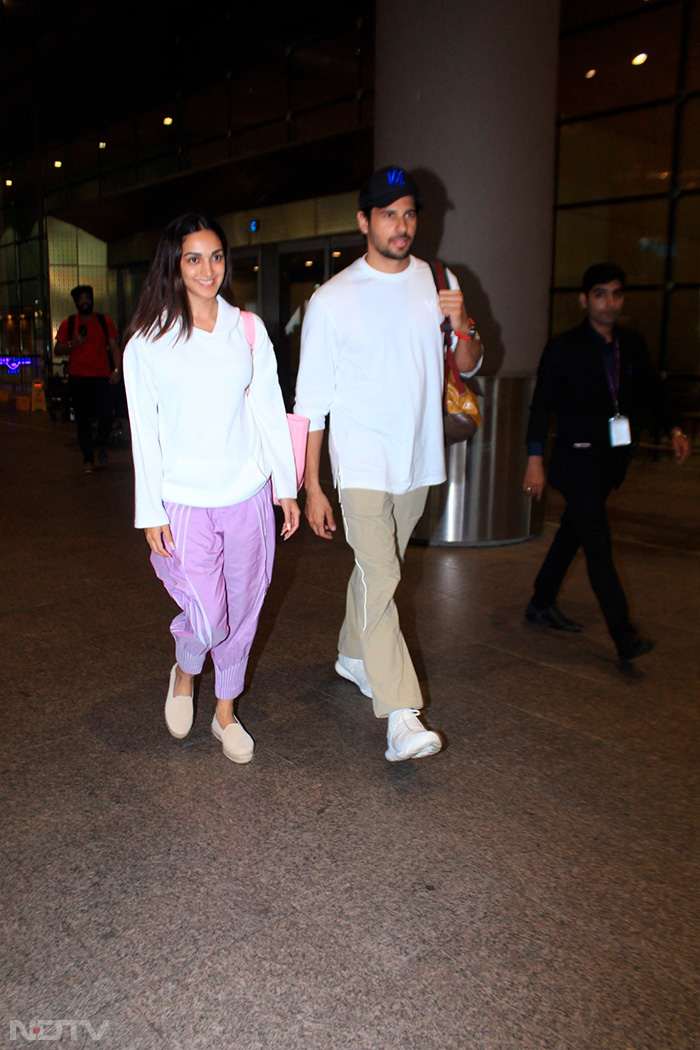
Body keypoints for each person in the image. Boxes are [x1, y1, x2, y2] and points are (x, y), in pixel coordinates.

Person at [294, 165, 483, 762]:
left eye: (409, 214)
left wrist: (462, 324)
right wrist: (313, 486)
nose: (401, 226)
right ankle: (401, 715)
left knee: (380, 571)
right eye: (388, 215)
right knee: (385, 574)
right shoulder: (332, 299)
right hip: (362, 464)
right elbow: (311, 406)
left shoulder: (439, 280)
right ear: (363, 222)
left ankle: (354, 655)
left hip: (418, 458)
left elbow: (472, 363)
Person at [123, 213, 300, 763]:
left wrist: (286, 487)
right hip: (184, 502)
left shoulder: (245, 329)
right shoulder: (148, 344)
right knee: (207, 613)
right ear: (173, 265)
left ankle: (225, 713)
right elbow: (143, 436)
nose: (208, 269)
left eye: (216, 256)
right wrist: (150, 509)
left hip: (246, 493)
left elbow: (270, 409)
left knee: (245, 606)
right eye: (194, 258)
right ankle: (184, 667)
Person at [522, 262, 691, 669]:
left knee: (573, 533)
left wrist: (675, 429)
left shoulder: (630, 345)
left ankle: (541, 602)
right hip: (577, 461)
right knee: (597, 542)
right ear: (585, 300)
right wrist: (534, 460)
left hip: (610, 462)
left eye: (616, 294)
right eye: (601, 294)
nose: (609, 302)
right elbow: (541, 404)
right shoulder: (564, 348)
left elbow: (652, 388)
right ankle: (624, 636)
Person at [55, 285, 121, 473]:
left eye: (87, 298)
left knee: (107, 416)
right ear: (76, 303)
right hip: (79, 379)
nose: (84, 302)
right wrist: (72, 344)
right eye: (81, 299)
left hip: (102, 378)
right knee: (82, 420)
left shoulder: (104, 321)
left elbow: (114, 347)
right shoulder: (68, 324)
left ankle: (101, 444)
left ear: (91, 300)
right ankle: (88, 459)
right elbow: (57, 350)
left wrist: (117, 370)